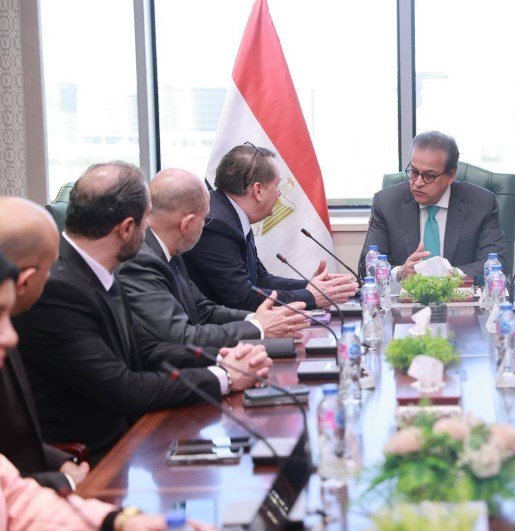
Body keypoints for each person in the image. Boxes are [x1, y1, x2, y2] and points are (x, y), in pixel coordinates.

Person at [12, 162, 271, 461]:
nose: (150, 228)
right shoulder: (58, 289)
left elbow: (147, 351)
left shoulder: (99, 270)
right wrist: (223, 377)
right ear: (126, 229)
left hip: (132, 438)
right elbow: (124, 388)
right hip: (93, 457)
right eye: (146, 218)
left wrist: (223, 359)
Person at [0, 252, 211, 530]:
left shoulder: (108, 279)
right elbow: (124, 389)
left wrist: (120, 521)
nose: (10, 336)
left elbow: (16, 498)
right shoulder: (64, 292)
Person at [119, 168, 310, 350]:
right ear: (187, 224)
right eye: (204, 219)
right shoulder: (141, 262)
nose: (205, 226)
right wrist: (259, 327)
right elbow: (180, 337)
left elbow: (202, 310)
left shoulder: (168, 250)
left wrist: (257, 318)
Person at [183, 143, 358, 312]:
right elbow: (242, 298)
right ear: (258, 190)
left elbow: (260, 279)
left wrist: (312, 287)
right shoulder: (217, 226)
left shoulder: (233, 213)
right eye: (276, 185)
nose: (279, 193)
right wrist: (310, 296)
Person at [0, 197, 90, 494]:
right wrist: (64, 481)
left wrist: (62, 464)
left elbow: (17, 441)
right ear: (25, 280)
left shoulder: (10, 324)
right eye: (50, 268)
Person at [358, 130, 506, 282]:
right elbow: (367, 267)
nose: (418, 182)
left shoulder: (481, 204)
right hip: (405, 295)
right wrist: (401, 272)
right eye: (414, 172)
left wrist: (450, 275)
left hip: (460, 294)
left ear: (451, 176)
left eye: (429, 176)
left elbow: (496, 263)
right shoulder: (386, 203)